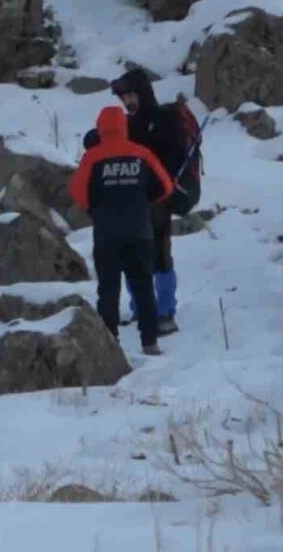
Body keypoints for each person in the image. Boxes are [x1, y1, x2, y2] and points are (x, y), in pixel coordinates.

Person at [70, 106, 174, 356]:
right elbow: (165, 187)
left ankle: (110, 341)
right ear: (123, 127)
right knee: (144, 288)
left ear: (101, 128)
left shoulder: (92, 157)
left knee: (108, 290)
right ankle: (150, 342)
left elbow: (78, 193)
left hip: (107, 234)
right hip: (140, 232)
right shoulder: (142, 154)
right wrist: (144, 199)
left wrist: (95, 208)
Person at [108, 68, 186, 336]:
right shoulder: (126, 124)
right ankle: (141, 307)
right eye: (123, 97)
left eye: (130, 95)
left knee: (160, 254)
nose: (127, 102)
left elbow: (174, 156)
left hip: (159, 197)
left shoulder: (164, 118)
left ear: (142, 92)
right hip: (132, 199)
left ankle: (165, 312)